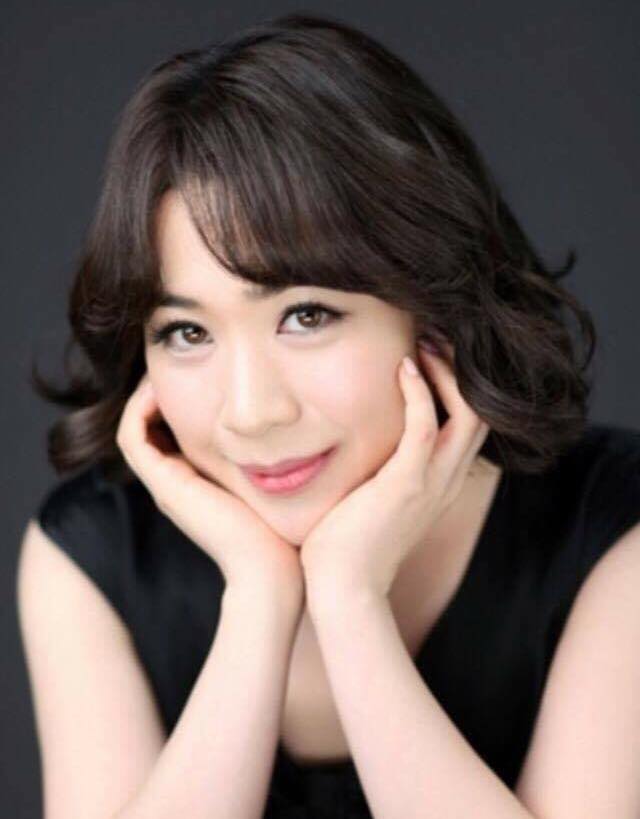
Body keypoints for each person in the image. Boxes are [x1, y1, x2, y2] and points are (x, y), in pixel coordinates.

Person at [15, 11, 640, 819]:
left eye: (306, 315)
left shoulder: (611, 534)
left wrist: (350, 599)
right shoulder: (90, 557)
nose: (252, 412)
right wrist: (258, 602)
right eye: (187, 332)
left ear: (433, 308)